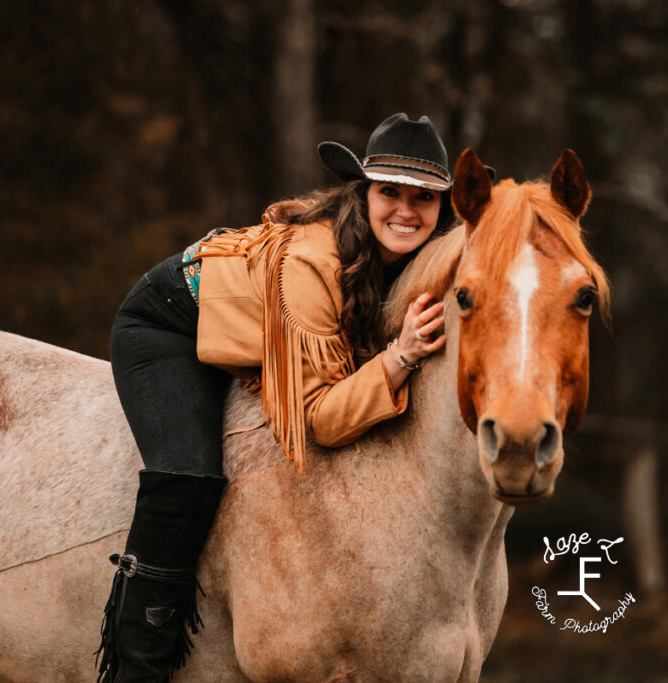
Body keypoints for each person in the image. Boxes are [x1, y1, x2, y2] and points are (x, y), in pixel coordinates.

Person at [96, 113, 457, 682]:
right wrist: (400, 356)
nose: (407, 210)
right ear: (364, 193)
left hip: (243, 334)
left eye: (424, 198)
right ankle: (135, 667)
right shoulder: (314, 261)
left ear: (442, 210)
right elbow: (320, 419)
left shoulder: (413, 262)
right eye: (390, 192)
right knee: (187, 478)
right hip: (169, 325)